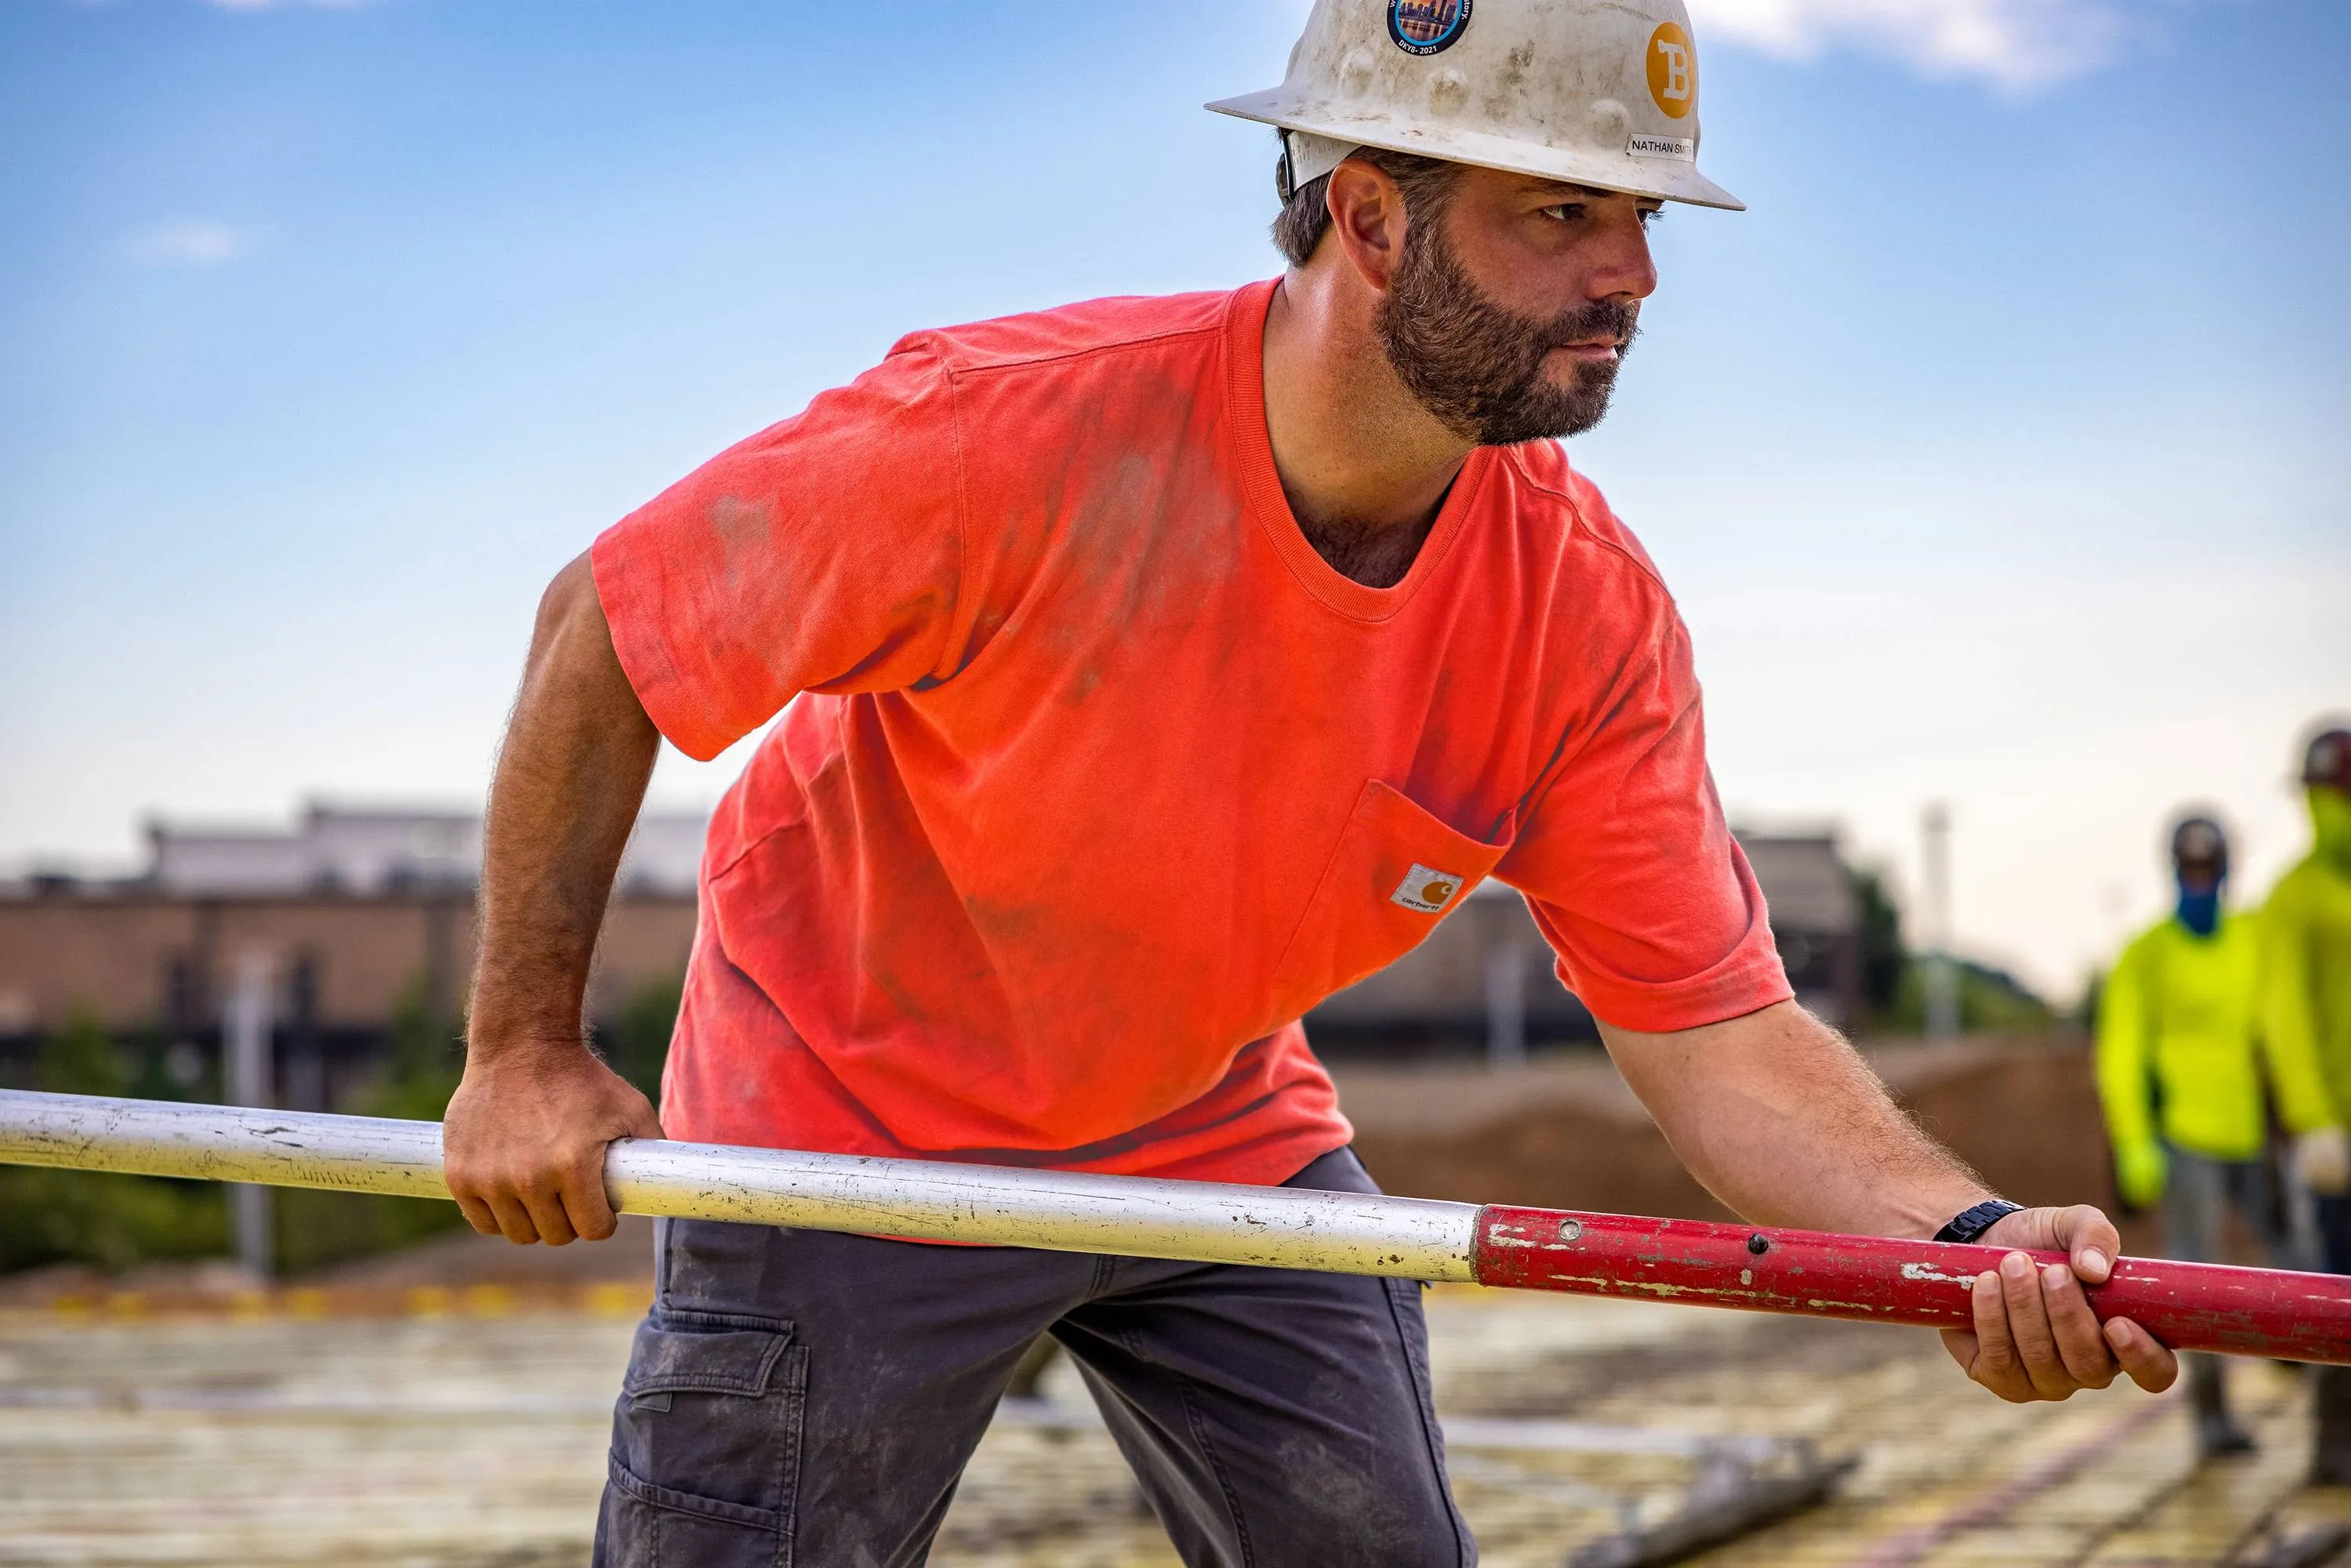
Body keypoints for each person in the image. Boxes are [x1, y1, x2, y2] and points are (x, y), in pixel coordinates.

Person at [441, 3, 2177, 1561]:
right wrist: (519, 1049)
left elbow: (1711, 1032)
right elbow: (605, 629)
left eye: (1640, 217)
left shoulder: (1577, 613)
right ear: (1365, 214)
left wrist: (1950, 1235)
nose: (1631, 273)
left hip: (1212, 1138)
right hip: (843, 1127)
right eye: (1560, 212)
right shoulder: (1003, 438)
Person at [2096, 815, 2312, 1457]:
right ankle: (2212, 1417)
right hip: (2182, 1138)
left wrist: (2302, 1119)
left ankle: (2297, 1347)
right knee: (2196, 1273)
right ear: (2172, 872)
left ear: (2223, 873)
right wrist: (2134, 1142)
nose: (2198, 881)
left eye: (2207, 870)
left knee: (2297, 1249)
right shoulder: (2147, 953)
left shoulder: (2251, 941)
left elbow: (2283, 1030)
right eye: (2187, 870)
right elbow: (2120, 1052)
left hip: (2251, 1133)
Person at [2264, 724, 2351, 1483]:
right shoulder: (2295, 898)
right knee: (2339, 1291)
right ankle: (2334, 1444)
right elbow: (2284, 1016)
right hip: (2338, 1136)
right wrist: (2314, 1121)